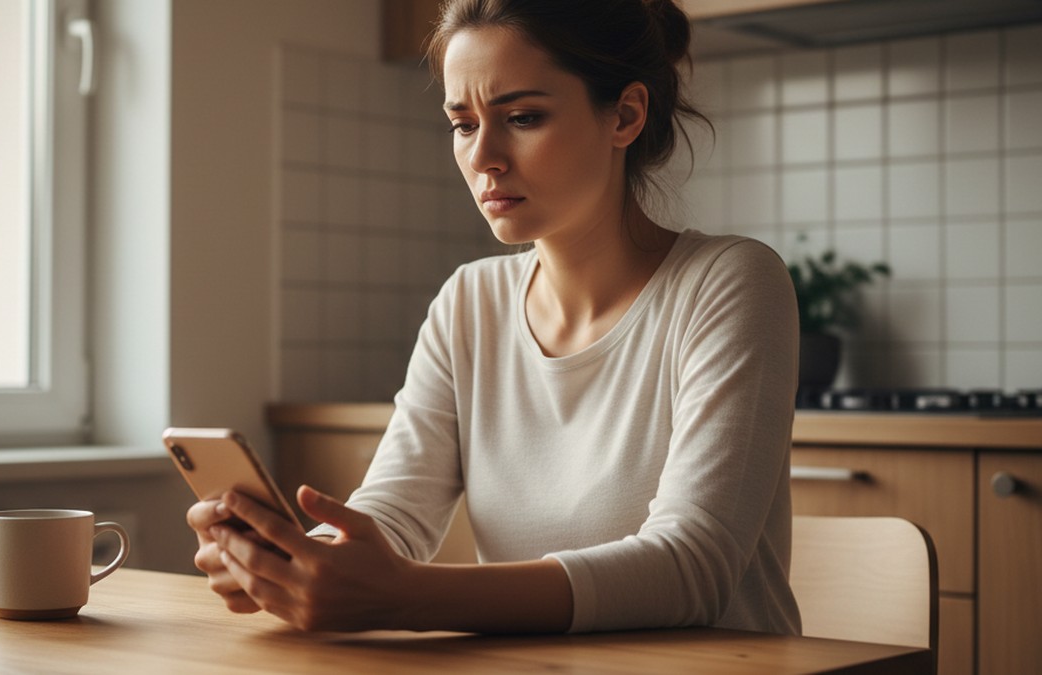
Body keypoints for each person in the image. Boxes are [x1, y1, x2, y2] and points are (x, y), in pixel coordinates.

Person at [187, 0, 801, 636]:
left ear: (625, 114)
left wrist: (406, 597)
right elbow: (393, 516)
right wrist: (293, 563)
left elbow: (692, 568)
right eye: (462, 124)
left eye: (523, 117)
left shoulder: (731, 281)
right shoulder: (468, 301)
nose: (483, 157)